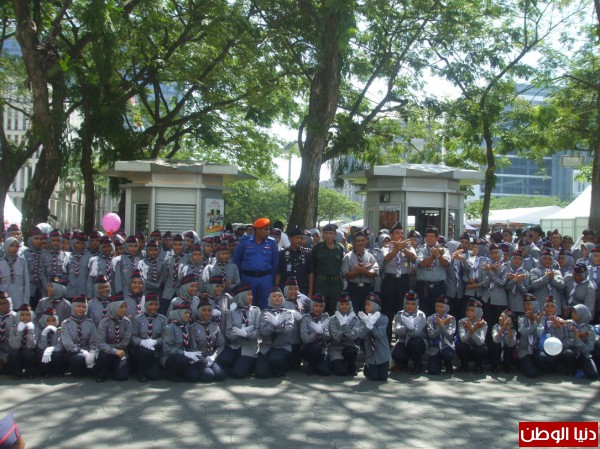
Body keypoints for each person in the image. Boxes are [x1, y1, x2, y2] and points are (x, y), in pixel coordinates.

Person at [380, 222, 416, 342]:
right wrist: (397, 248)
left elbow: (414, 257)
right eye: (397, 233)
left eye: (402, 233)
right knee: (388, 311)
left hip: (403, 280)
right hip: (389, 281)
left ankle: (401, 339)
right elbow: (387, 257)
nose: (400, 235)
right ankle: (387, 340)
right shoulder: (387, 246)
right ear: (391, 235)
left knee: (402, 310)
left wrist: (403, 248)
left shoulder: (408, 246)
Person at [233, 217, 279, 310]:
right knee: (248, 305)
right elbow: (237, 261)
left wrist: (271, 279)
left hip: (265, 278)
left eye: (269, 229)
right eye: (265, 229)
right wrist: (240, 278)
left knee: (266, 306)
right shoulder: (244, 242)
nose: (268, 232)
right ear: (257, 230)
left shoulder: (272, 243)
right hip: (247, 278)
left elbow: (275, 263)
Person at [218, 284, 260, 379]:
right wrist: (238, 334)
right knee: (221, 360)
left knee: (237, 374)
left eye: (251, 294)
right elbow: (228, 334)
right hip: (235, 346)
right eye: (248, 294)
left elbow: (258, 332)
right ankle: (240, 363)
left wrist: (246, 334)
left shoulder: (256, 311)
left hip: (249, 348)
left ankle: (249, 364)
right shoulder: (232, 312)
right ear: (241, 296)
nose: (251, 297)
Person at [255, 287, 294, 378]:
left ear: (283, 298)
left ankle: (282, 368)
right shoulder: (264, 313)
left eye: (279, 296)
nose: (277, 298)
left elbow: (289, 331)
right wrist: (272, 325)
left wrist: (278, 324)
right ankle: (271, 368)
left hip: (282, 346)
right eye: (274, 296)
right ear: (270, 298)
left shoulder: (287, 313)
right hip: (267, 347)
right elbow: (263, 332)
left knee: (275, 359)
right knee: (261, 374)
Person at [95, 293, 132, 382]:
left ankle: (115, 368)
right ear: (114, 307)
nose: (124, 310)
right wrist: (114, 351)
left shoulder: (127, 322)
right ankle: (102, 374)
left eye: (125, 307)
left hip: (121, 351)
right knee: (103, 355)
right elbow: (100, 342)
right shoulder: (104, 322)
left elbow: (125, 343)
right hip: (107, 351)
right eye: (121, 307)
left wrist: (116, 350)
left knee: (122, 376)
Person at [56, 295, 96, 378]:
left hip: (88, 351)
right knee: (79, 358)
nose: (81, 309)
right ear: (73, 307)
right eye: (78, 306)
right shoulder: (65, 323)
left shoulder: (90, 323)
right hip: (72, 352)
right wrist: (83, 352)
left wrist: (92, 353)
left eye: (84, 307)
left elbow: (93, 341)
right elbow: (68, 344)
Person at [161, 303, 203, 382]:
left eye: (189, 313)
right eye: (185, 313)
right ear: (178, 313)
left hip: (185, 357)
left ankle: (182, 371)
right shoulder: (170, 327)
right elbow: (166, 349)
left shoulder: (187, 326)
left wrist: (191, 354)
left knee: (193, 376)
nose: (188, 315)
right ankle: (170, 373)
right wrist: (183, 353)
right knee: (182, 359)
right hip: (171, 357)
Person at [131, 293, 166, 382]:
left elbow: (165, 337)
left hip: (155, 350)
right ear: (146, 305)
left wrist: (155, 341)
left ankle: (150, 368)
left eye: (156, 304)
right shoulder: (138, 318)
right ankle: (140, 371)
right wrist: (142, 342)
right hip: (141, 351)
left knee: (155, 376)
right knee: (145, 352)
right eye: (151, 304)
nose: (153, 307)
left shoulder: (162, 319)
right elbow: (133, 337)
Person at [189, 297, 226, 382]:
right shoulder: (193, 327)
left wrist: (213, 357)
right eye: (204, 310)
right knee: (209, 376)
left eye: (209, 310)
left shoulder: (215, 326)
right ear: (199, 312)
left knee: (220, 376)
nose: (207, 313)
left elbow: (221, 344)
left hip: (211, 357)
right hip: (199, 359)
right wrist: (204, 360)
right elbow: (193, 348)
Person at [415, 227, 450, 316]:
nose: (429, 239)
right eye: (427, 236)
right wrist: (433, 256)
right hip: (423, 287)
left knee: (438, 313)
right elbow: (421, 263)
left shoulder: (444, 249)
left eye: (432, 236)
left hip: (438, 287)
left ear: (437, 238)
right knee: (422, 313)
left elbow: (446, 264)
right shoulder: (420, 249)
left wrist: (439, 256)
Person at [311, 224, 345, 315]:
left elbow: (342, 265)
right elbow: (313, 266)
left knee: (334, 308)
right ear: (323, 234)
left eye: (331, 233)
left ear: (335, 234)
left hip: (335, 283)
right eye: (326, 233)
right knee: (320, 307)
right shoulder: (317, 248)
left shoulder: (340, 248)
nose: (328, 235)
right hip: (321, 283)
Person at [342, 231, 379, 313]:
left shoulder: (370, 256)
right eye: (358, 241)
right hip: (353, 288)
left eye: (362, 240)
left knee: (366, 313)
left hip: (366, 288)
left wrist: (365, 272)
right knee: (352, 312)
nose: (360, 243)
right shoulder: (347, 257)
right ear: (353, 242)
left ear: (365, 241)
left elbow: (375, 272)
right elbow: (346, 275)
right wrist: (359, 271)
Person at [392, 290, 427, 375]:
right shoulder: (400, 314)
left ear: (416, 304)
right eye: (407, 303)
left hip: (418, 342)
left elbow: (416, 333)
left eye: (413, 304)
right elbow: (396, 330)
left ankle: (417, 365)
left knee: (414, 342)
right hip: (403, 341)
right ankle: (404, 362)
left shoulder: (421, 315)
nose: (410, 306)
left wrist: (410, 328)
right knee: (396, 355)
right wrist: (407, 327)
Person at [358, 293, 390, 381]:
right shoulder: (363, 318)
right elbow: (361, 335)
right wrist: (367, 325)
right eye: (365, 304)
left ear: (375, 306)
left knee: (383, 377)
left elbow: (379, 335)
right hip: (371, 355)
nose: (366, 306)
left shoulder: (383, 318)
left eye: (368, 304)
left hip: (382, 354)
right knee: (373, 377)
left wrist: (372, 326)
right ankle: (367, 366)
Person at [276, 227, 314, 297]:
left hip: (302, 290)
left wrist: (310, 292)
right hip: (286, 290)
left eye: (301, 238)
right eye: (297, 238)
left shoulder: (307, 254)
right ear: (290, 238)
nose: (299, 240)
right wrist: (277, 290)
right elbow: (279, 273)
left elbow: (311, 273)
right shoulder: (283, 253)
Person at [563, 304, 598, 379]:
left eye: (576, 313)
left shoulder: (590, 329)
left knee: (593, 375)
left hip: (583, 355)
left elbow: (588, 349)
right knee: (567, 353)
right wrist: (577, 339)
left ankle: (580, 368)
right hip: (572, 353)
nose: (573, 314)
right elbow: (564, 342)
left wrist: (577, 339)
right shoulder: (568, 324)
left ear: (583, 314)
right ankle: (571, 370)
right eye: (572, 312)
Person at [535, 296, 568, 374]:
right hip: (541, 348)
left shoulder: (560, 320)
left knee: (554, 359)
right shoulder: (539, 319)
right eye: (547, 306)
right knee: (542, 357)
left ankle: (552, 367)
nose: (549, 308)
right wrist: (539, 324)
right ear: (544, 308)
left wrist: (558, 327)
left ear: (556, 308)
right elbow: (537, 335)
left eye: (552, 306)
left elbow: (562, 338)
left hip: (555, 348)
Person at [300, 293, 331, 376]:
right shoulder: (305, 318)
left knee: (325, 372)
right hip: (309, 349)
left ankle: (319, 363)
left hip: (323, 349)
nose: (318, 308)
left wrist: (322, 333)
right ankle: (311, 365)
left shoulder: (326, 317)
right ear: (311, 306)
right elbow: (305, 339)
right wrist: (315, 333)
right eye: (315, 306)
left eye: (321, 306)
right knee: (315, 347)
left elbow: (328, 337)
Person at [426, 296, 456, 375]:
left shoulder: (451, 319)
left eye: (441, 307)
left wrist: (442, 325)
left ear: (446, 308)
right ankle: (437, 362)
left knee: (447, 355)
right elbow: (431, 335)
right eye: (437, 306)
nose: (439, 309)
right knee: (432, 371)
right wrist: (442, 325)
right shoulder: (430, 318)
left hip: (446, 345)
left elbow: (450, 336)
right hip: (434, 346)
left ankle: (447, 363)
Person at [456, 299, 488, 373]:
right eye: (467, 310)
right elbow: (463, 339)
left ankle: (479, 365)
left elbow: (480, 342)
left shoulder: (483, 323)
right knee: (460, 345)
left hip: (477, 349)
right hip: (466, 349)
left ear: (478, 312)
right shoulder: (462, 321)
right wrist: (474, 328)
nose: (469, 312)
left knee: (482, 348)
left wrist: (472, 328)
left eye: (472, 310)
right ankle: (464, 364)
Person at [160, 234, 189, 315]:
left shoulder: (188, 259)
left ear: (183, 245)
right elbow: (165, 276)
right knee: (164, 314)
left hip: (181, 293)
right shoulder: (168, 259)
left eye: (179, 245)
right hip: (168, 293)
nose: (177, 247)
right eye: (175, 245)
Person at [530, 248, 565, 313]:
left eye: (549, 259)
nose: (547, 261)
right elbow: (534, 285)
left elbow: (561, 285)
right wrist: (546, 277)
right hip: (540, 306)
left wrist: (552, 279)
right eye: (545, 258)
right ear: (540, 259)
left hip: (554, 307)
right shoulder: (535, 271)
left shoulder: (556, 272)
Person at [7, 304, 37, 379]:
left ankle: (30, 373)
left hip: (30, 350)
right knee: (13, 352)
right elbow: (14, 346)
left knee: (28, 353)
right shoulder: (13, 328)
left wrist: (30, 331)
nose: (25, 317)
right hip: (18, 348)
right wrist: (19, 331)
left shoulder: (35, 328)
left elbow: (32, 345)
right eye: (22, 315)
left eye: (28, 315)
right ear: (18, 316)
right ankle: (17, 373)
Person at [0, 237, 30, 309]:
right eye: (11, 246)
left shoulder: (22, 262)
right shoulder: (1, 263)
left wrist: (26, 302)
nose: (14, 248)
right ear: (6, 246)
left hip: (20, 302)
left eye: (16, 246)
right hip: (4, 303)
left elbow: (26, 283)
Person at [517, 294, 542, 378]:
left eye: (529, 304)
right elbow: (524, 332)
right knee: (532, 374)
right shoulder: (521, 318)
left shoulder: (540, 317)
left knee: (543, 362)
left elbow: (539, 333)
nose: (526, 307)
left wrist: (536, 322)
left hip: (535, 349)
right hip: (525, 350)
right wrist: (533, 323)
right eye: (524, 305)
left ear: (534, 305)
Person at [64, 232, 91, 299]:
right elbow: (65, 273)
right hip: (69, 292)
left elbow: (90, 278)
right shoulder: (67, 256)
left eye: (82, 243)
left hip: (84, 292)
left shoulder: (90, 257)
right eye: (78, 243)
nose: (80, 245)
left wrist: (89, 294)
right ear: (73, 243)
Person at [37, 307, 62, 377]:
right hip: (44, 351)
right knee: (42, 352)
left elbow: (60, 346)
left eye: (53, 320)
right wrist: (44, 333)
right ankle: (45, 372)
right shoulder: (40, 330)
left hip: (55, 351)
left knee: (58, 354)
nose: (51, 323)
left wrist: (50, 349)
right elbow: (41, 347)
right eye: (48, 321)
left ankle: (58, 371)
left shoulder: (60, 330)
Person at [489, 309, 517, 373]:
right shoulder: (496, 326)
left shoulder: (513, 330)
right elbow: (496, 339)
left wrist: (508, 329)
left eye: (504, 317)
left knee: (509, 347)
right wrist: (502, 328)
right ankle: (495, 364)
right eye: (500, 316)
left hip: (506, 350)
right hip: (498, 349)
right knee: (495, 344)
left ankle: (507, 365)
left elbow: (511, 344)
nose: (500, 318)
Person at [505, 250, 529, 315]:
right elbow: (505, 287)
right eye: (515, 258)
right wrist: (514, 280)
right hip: (508, 305)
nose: (517, 260)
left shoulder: (526, 273)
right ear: (511, 259)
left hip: (521, 306)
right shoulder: (507, 271)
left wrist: (518, 281)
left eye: (520, 259)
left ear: (522, 261)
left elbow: (525, 291)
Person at [0, 292, 18, 374]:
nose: (4, 306)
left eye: (6, 303)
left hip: (11, 347)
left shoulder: (15, 316)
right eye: (1, 304)